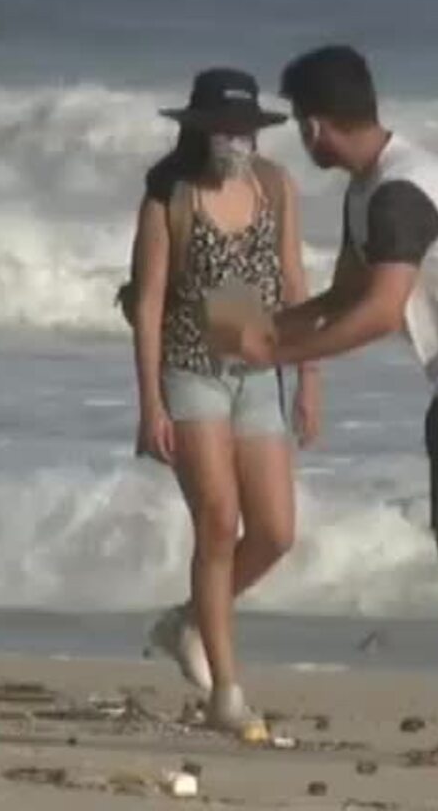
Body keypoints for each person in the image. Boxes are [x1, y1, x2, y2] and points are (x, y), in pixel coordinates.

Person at [218, 44, 438, 766]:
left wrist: (279, 357)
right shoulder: (376, 186)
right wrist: (267, 330)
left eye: (298, 125)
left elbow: (382, 313)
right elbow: (347, 294)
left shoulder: (398, 194)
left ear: (317, 126)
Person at [123, 68, 320, 734]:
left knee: (275, 532)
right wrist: (149, 403)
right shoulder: (168, 197)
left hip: (259, 371)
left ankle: (187, 622)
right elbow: (148, 306)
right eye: (222, 131)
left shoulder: (275, 188)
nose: (235, 142)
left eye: (245, 130)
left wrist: (311, 380)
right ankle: (226, 694)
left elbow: (293, 281)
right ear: (199, 132)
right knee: (218, 522)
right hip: (191, 370)